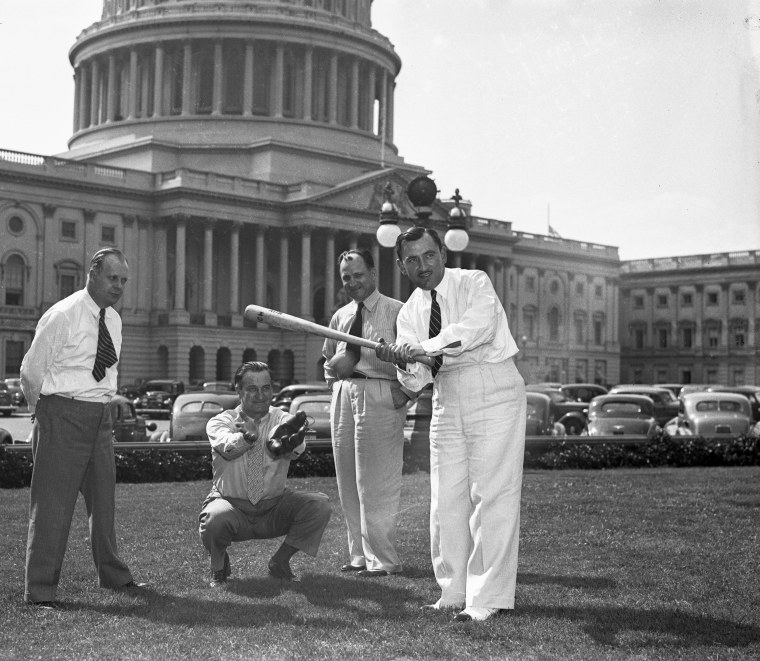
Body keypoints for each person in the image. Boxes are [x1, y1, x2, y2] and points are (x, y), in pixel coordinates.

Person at [376, 226, 527, 622]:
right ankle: (453, 591)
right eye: (412, 260)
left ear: (442, 253)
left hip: (493, 384)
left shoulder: (474, 282)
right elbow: (417, 380)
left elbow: (477, 331)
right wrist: (403, 362)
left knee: (491, 494)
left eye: (428, 255)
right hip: (446, 394)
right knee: (446, 498)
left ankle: (487, 597)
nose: (422, 266)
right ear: (401, 265)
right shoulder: (410, 311)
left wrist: (422, 348)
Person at [20, 248, 140, 607]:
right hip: (61, 415)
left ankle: (113, 575)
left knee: (103, 505)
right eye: (112, 278)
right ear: (92, 273)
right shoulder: (63, 314)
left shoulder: (114, 320)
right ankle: (40, 590)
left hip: (100, 418)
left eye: (123, 280)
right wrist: (40, 411)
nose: (118, 286)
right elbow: (30, 371)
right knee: (52, 507)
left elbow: (107, 372)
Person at [198, 361, 331, 587]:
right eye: (251, 389)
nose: (260, 395)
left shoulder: (281, 418)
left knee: (319, 505)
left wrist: (293, 441)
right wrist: (248, 437)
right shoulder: (222, 421)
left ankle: (279, 562)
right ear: (238, 391)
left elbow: (296, 448)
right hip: (232, 506)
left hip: (273, 507)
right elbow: (227, 449)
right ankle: (218, 568)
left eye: (266, 388)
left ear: (273, 389)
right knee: (214, 519)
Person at [322, 249, 409, 577]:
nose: (353, 283)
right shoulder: (340, 316)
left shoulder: (397, 312)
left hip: (379, 394)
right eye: (347, 278)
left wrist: (405, 392)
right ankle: (359, 556)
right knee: (348, 481)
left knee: (377, 482)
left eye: (358, 275)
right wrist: (336, 374)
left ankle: (383, 559)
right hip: (345, 395)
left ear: (372, 274)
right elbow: (328, 358)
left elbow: (415, 361)